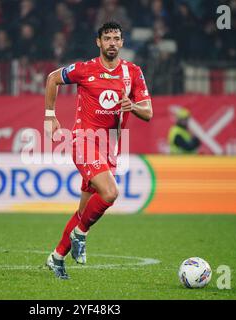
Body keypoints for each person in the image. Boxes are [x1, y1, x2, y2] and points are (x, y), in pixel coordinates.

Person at [44, 21, 153, 279]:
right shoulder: (85, 69)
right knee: (110, 192)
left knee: (85, 211)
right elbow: (52, 79)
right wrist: (50, 116)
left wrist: (132, 106)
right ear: (99, 42)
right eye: (107, 38)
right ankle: (80, 235)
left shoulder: (133, 73)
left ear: (122, 43)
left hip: (109, 146)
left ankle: (57, 257)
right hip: (84, 139)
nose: (112, 43)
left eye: (116, 38)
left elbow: (148, 112)